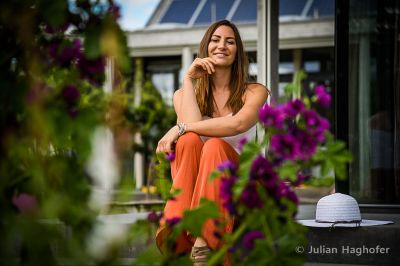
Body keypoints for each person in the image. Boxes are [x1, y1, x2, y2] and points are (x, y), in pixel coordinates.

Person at [155, 20, 269, 265]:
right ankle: (186, 229)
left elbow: (236, 125)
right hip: (199, 188)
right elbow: (189, 136)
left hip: (239, 187)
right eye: (215, 40)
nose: (222, 46)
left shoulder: (255, 91)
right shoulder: (182, 96)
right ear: (206, 47)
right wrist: (188, 80)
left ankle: (202, 237)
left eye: (230, 41)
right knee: (189, 142)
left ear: (238, 51)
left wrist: (179, 127)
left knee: (215, 145)